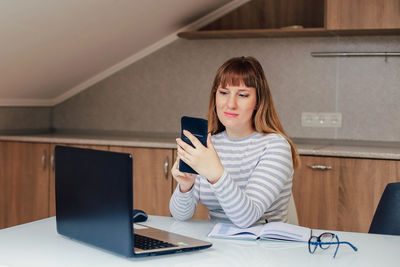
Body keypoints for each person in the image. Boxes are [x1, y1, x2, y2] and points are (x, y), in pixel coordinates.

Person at [169, 56, 299, 228]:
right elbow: (180, 215)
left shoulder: (275, 146)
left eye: (243, 95)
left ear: (258, 101)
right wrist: (185, 186)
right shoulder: (209, 143)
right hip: (219, 245)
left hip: (264, 248)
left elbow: (247, 219)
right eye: (223, 93)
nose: (230, 104)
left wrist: (215, 174)